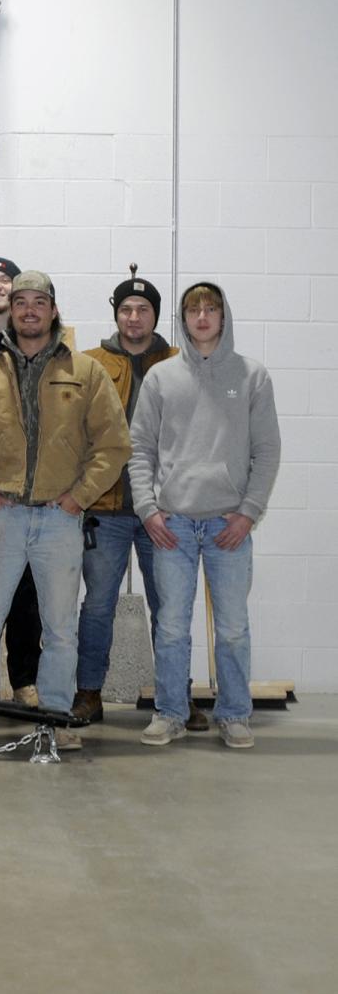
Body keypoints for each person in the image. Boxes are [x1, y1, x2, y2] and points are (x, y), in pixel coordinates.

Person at [0, 272, 129, 750]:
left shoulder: (85, 374)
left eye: (37, 302)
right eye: (20, 302)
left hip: (59, 520)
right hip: (3, 518)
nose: (28, 310)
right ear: (12, 312)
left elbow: (113, 444)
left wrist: (78, 498)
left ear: (52, 311)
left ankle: (56, 720)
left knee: (60, 630)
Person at [130, 283, 280, 749]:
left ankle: (234, 715)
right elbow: (139, 449)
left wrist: (248, 513)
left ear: (223, 315)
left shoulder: (251, 376)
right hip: (172, 524)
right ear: (183, 318)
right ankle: (171, 713)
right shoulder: (161, 378)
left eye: (210, 308)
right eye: (192, 309)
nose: (201, 316)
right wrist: (148, 509)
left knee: (233, 627)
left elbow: (267, 451)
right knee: (172, 625)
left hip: (228, 525)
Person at [72, 269, 193, 725]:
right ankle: (88, 693)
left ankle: (176, 697)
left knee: (170, 607)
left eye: (143, 310)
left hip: (164, 511)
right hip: (106, 508)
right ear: (116, 315)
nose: (134, 317)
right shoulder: (90, 363)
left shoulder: (181, 363)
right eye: (126, 309)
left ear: (156, 317)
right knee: (98, 604)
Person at [0, 255, 43, 705]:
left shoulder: (45, 348)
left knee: (26, 601)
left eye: (5, 280)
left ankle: (24, 682)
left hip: (29, 500)